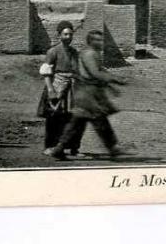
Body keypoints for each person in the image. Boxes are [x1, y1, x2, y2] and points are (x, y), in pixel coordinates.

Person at [48, 30, 127, 160]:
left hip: (89, 93)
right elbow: (95, 73)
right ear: (90, 41)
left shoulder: (93, 53)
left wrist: (110, 86)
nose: (100, 42)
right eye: (97, 40)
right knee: (97, 119)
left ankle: (59, 148)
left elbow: (99, 72)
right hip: (87, 94)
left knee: (79, 122)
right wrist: (115, 79)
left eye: (101, 40)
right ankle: (113, 147)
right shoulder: (89, 54)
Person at [38, 20, 83, 156]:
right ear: (59, 35)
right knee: (54, 118)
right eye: (65, 34)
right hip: (56, 87)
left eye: (70, 34)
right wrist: (51, 90)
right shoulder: (53, 51)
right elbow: (46, 72)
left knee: (72, 118)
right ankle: (49, 146)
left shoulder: (74, 52)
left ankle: (72, 148)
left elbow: (77, 71)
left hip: (72, 89)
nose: (68, 37)